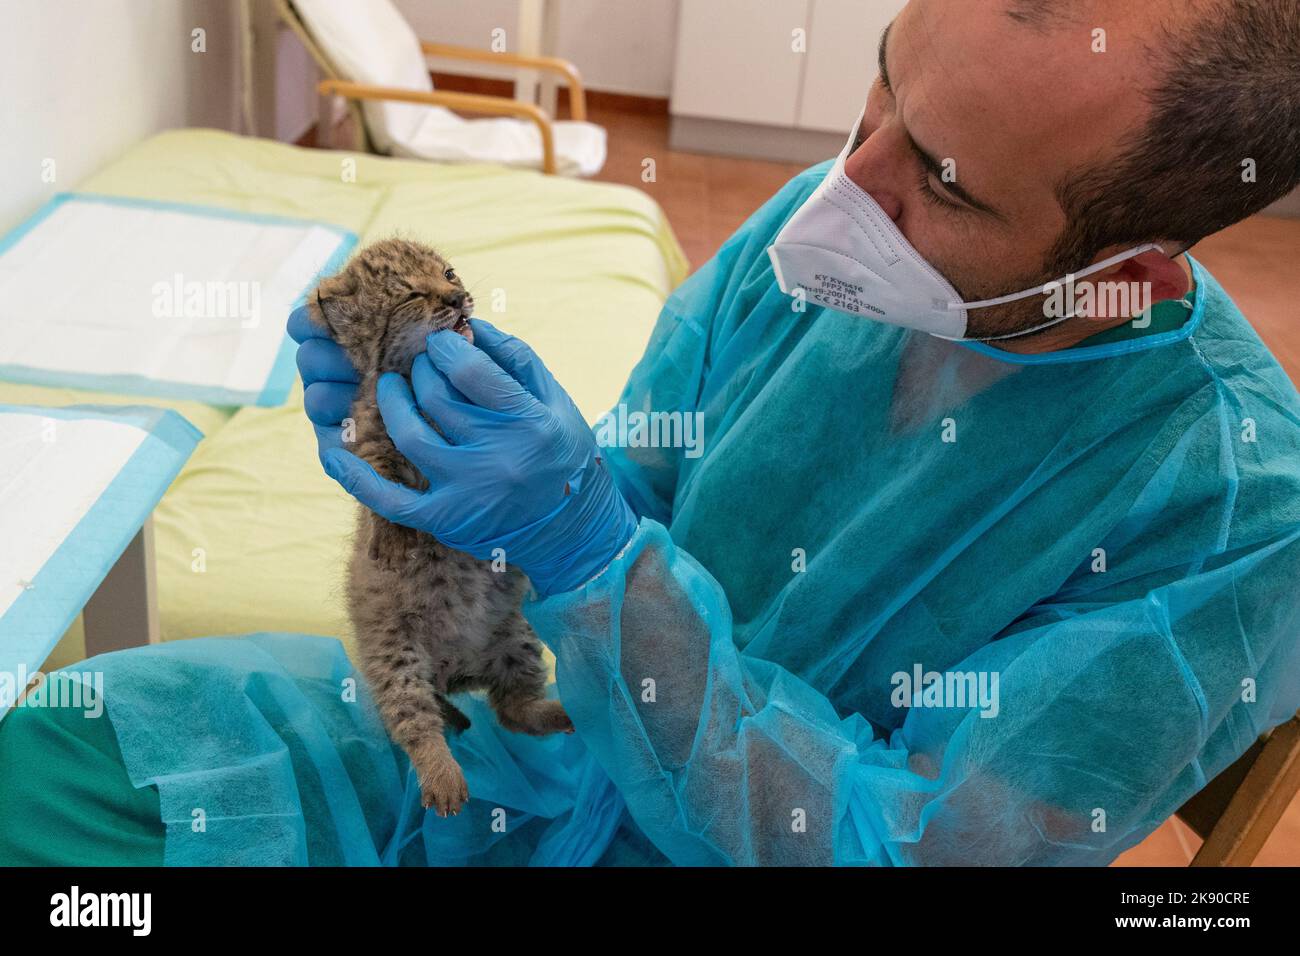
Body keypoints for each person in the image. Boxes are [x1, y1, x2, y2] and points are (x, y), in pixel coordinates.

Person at [288, 0, 1300, 864]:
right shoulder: (815, 244)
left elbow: (900, 842)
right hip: (568, 764)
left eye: (944, 182)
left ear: (1122, 278)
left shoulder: (1230, 511)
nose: (847, 184)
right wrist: (464, 473)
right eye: (885, 83)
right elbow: (629, 490)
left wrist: (594, 563)